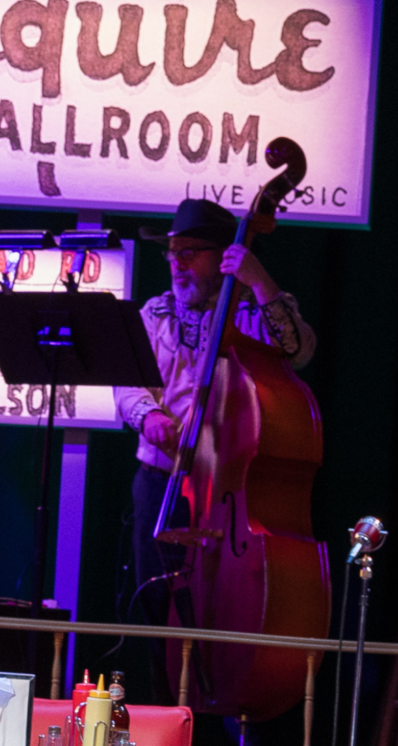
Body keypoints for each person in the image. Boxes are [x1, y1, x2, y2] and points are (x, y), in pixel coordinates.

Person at [113, 198, 316, 632]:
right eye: (173, 253)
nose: (177, 263)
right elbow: (127, 381)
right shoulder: (155, 312)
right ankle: (166, 678)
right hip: (161, 481)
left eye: (189, 252)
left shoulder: (253, 312)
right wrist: (149, 417)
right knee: (155, 599)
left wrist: (259, 281)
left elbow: (299, 350)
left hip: (232, 490)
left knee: (227, 604)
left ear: (224, 257)